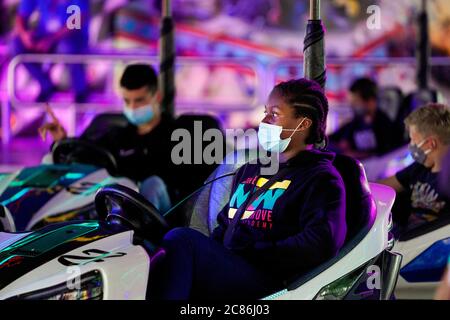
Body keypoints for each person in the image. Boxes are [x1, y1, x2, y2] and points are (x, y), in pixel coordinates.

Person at [149, 78, 347, 300]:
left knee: (180, 240)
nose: (264, 121)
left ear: (302, 124)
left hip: (272, 282)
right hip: (236, 268)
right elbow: (225, 225)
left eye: (274, 114)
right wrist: (215, 253)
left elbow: (321, 241)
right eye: (265, 112)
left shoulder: (321, 179)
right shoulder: (251, 170)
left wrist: (254, 251)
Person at [39, 64, 175, 213]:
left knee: (153, 184)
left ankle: (145, 236)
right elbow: (85, 153)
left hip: (162, 215)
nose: (133, 107)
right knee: (49, 159)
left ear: (158, 97)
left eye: (139, 100)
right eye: (127, 101)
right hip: (116, 208)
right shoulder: (117, 135)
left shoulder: (176, 134)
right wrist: (62, 141)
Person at [379, 103, 450, 234]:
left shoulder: (446, 179)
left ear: (431, 143)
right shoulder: (419, 168)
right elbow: (383, 187)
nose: (411, 145)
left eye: (413, 139)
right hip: (406, 238)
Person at [13, 0, 90, 103]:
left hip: (70, 38)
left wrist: (51, 39)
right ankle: (45, 85)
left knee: (67, 47)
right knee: (15, 45)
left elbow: (78, 19)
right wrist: (24, 36)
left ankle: (80, 91)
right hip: (46, 37)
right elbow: (21, 15)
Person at [329, 77, 401, 159]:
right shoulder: (355, 123)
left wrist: (354, 154)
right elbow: (331, 139)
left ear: (370, 101)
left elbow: (387, 152)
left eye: (356, 101)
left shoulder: (384, 124)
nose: (353, 106)